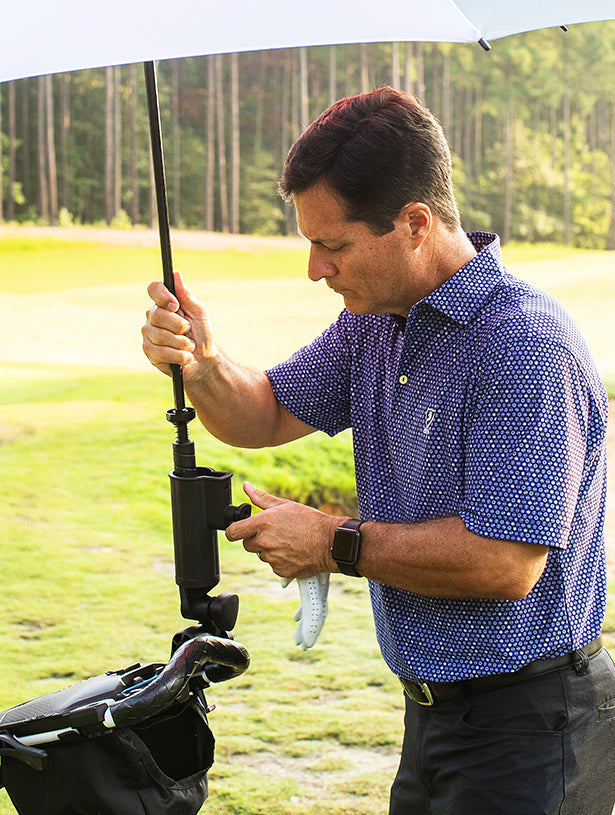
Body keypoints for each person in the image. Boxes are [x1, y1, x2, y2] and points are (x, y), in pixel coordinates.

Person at [141, 87, 615, 814]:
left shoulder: (521, 346)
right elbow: (262, 412)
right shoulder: (376, 324)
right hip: (433, 717)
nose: (314, 269)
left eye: (332, 245)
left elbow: (504, 561)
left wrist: (334, 541)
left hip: (531, 724)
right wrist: (201, 362)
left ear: (414, 223)